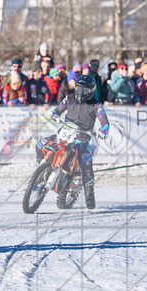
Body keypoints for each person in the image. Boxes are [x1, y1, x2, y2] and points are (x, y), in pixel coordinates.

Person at [37, 75, 110, 209]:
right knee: (41, 143)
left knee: (86, 162)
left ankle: (90, 195)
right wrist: (52, 113)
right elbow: (58, 110)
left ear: (91, 90)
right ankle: (40, 171)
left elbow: (104, 122)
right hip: (64, 131)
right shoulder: (69, 98)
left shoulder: (96, 105)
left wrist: (104, 130)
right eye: (79, 88)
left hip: (83, 137)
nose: (81, 92)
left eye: (84, 90)